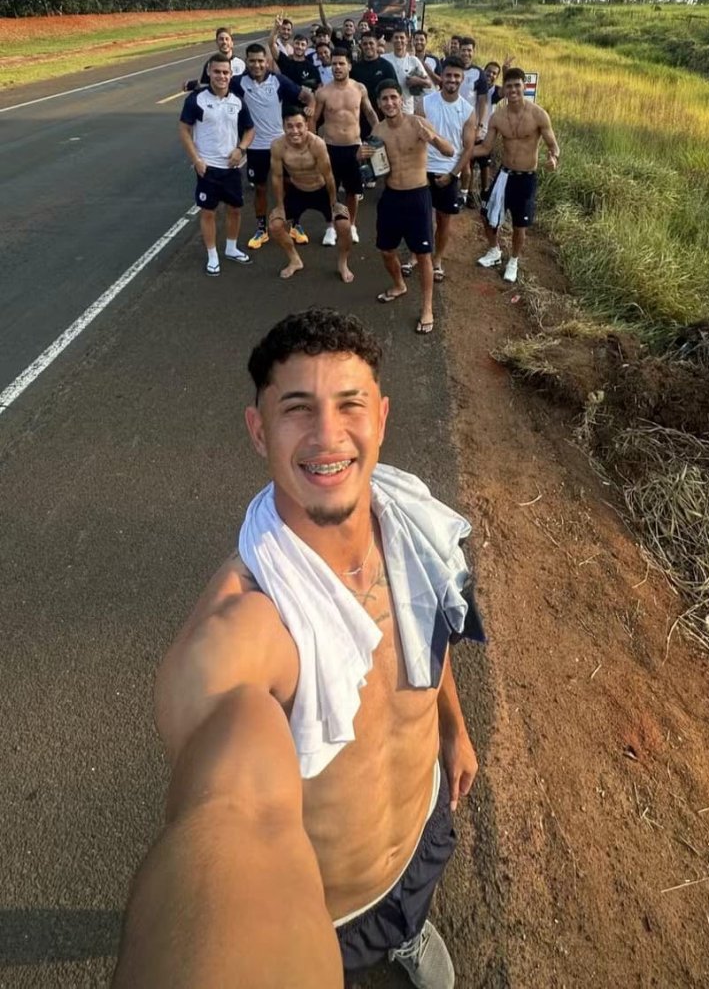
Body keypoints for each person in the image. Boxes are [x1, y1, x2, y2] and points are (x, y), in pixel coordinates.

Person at [112, 307, 483, 989]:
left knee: (415, 899)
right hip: (330, 909)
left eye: (350, 404)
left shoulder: (411, 524)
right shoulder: (250, 622)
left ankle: (407, 930)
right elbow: (231, 810)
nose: (328, 435)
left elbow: (431, 634)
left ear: (382, 417)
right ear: (259, 430)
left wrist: (453, 729)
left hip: (421, 826)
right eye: (297, 409)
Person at [360, 80, 455, 334]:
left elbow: (449, 151)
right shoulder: (378, 131)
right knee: (386, 250)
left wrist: (433, 138)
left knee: (423, 255)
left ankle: (427, 307)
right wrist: (362, 158)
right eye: (384, 99)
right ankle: (399, 285)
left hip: (418, 196)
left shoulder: (418, 124)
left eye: (394, 97)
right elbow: (374, 171)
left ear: (401, 100)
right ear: (378, 103)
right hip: (391, 195)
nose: (390, 102)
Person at [473, 67, 560, 283]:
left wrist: (553, 158)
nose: (512, 90)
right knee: (486, 214)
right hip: (504, 175)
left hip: (526, 177)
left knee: (519, 225)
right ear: (504, 88)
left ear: (524, 86)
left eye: (516, 85)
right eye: (509, 86)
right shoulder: (497, 116)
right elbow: (485, 147)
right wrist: (461, 153)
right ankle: (494, 251)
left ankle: (513, 261)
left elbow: (553, 146)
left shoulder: (538, 115)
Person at [231, 44, 315, 251]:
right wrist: (191, 85)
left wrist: (311, 108)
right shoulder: (238, 82)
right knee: (260, 188)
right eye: (252, 61)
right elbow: (216, 84)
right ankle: (262, 229)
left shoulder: (278, 80)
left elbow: (307, 96)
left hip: (281, 145)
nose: (257, 65)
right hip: (255, 147)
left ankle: (295, 224)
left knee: (289, 185)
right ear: (247, 61)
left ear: (267, 62)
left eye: (260, 61)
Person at [400, 57, 475, 285]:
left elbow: (468, 148)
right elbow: (414, 137)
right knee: (418, 217)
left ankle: (438, 260)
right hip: (423, 169)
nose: (452, 79)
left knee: (443, 220)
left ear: (462, 79)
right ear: (441, 77)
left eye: (457, 76)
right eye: (448, 75)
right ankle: (415, 256)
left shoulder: (467, 111)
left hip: (448, 172)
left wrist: (452, 175)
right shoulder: (425, 104)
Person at [178, 54, 254, 276]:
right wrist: (196, 159)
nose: (221, 76)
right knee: (208, 212)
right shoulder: (196, 99)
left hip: (231, 167)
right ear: (209, 72)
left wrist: (241, 149)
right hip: (207, 167)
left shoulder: (237, 101)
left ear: (231, 74)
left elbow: (250, 129)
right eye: (217, 72)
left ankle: (231, 248)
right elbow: (184, 129)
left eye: (225, 72)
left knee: (235, 209)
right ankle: (212, 255)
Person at [268, 107, 353, 282]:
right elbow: (277, 177)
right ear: (283, 127)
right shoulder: (278, 146)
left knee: (344, 226)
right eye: (289, 126)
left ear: (306, 125)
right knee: (275, 226)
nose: (295, 131)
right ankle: (295, 260)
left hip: (321, 190)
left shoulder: (317, 144)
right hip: (297, 190)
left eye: (299, 125)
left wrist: (334, 203)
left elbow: (329, 176)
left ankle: (343, 263)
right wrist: (280, 206)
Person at [310, 48, 378, 246]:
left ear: (349, 65)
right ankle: (331, 227)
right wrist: (314, 144)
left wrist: (378, 137)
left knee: (352, 191)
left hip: (354, 147)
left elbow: (370, 113)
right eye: (334, 64)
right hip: (330, 147)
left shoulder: (359, 89)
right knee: (330, 190)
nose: (337, 67)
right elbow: (313, 119)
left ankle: (351, 225)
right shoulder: (323, 92)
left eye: (341, 63)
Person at [456, 38, 489, 208]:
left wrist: (480, 126)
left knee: (466, 163)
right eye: (463, 50)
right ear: (459, 50)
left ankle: (463, 195)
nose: (466, 53)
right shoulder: (452, 67)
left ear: (473, 52)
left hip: (469, 125)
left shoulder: (478, 73)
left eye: (469, 50)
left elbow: (482, 102)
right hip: (451, 122)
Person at [474, 58, 512, 198]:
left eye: (494, 73)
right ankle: (470, 193)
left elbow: (505, 91)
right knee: (469, 163)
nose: (490, 75)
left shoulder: (494, 91)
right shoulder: (475, 86)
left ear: (497, 77)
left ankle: (485, 192)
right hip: (470, 130)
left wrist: (506, 72)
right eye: (488, 71)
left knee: (485, 164)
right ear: (483, 71)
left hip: (485, 133)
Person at [351, 31, 398, 141]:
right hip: (361, 118)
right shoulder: (355, 68)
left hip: (384, 116)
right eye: (365, 44)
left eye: (371, 43)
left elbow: (395, 92)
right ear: (361, 46)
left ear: (377, 44)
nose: (368, 46)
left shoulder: (386, 66)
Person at [382, 29, 431, 115]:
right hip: (388, 108)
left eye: (402, 37)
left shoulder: (413, 60)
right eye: (396, 37)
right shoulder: (384, 59)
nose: (399, 40)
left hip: (407, 109)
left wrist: (417, 80)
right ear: (392, 40)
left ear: (407, 40)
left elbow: (428, 83)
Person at [182, 27, 245, 91]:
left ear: (232, 43)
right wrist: (194, 85)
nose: (224, 42)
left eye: (227, 39)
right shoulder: (210, 64)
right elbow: (205, 86)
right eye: (221, 39)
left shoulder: (241, 64)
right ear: (217, 43)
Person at [269, 20, 322, 94]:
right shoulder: (285, 62)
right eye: (297, 43)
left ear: (306, 47)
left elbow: (319, 86)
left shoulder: (311, 67)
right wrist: (276, 28)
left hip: (305, 100)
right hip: (287, 100)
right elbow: (271, 45)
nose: (299, 47)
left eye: (303, 45)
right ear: (293, 45)